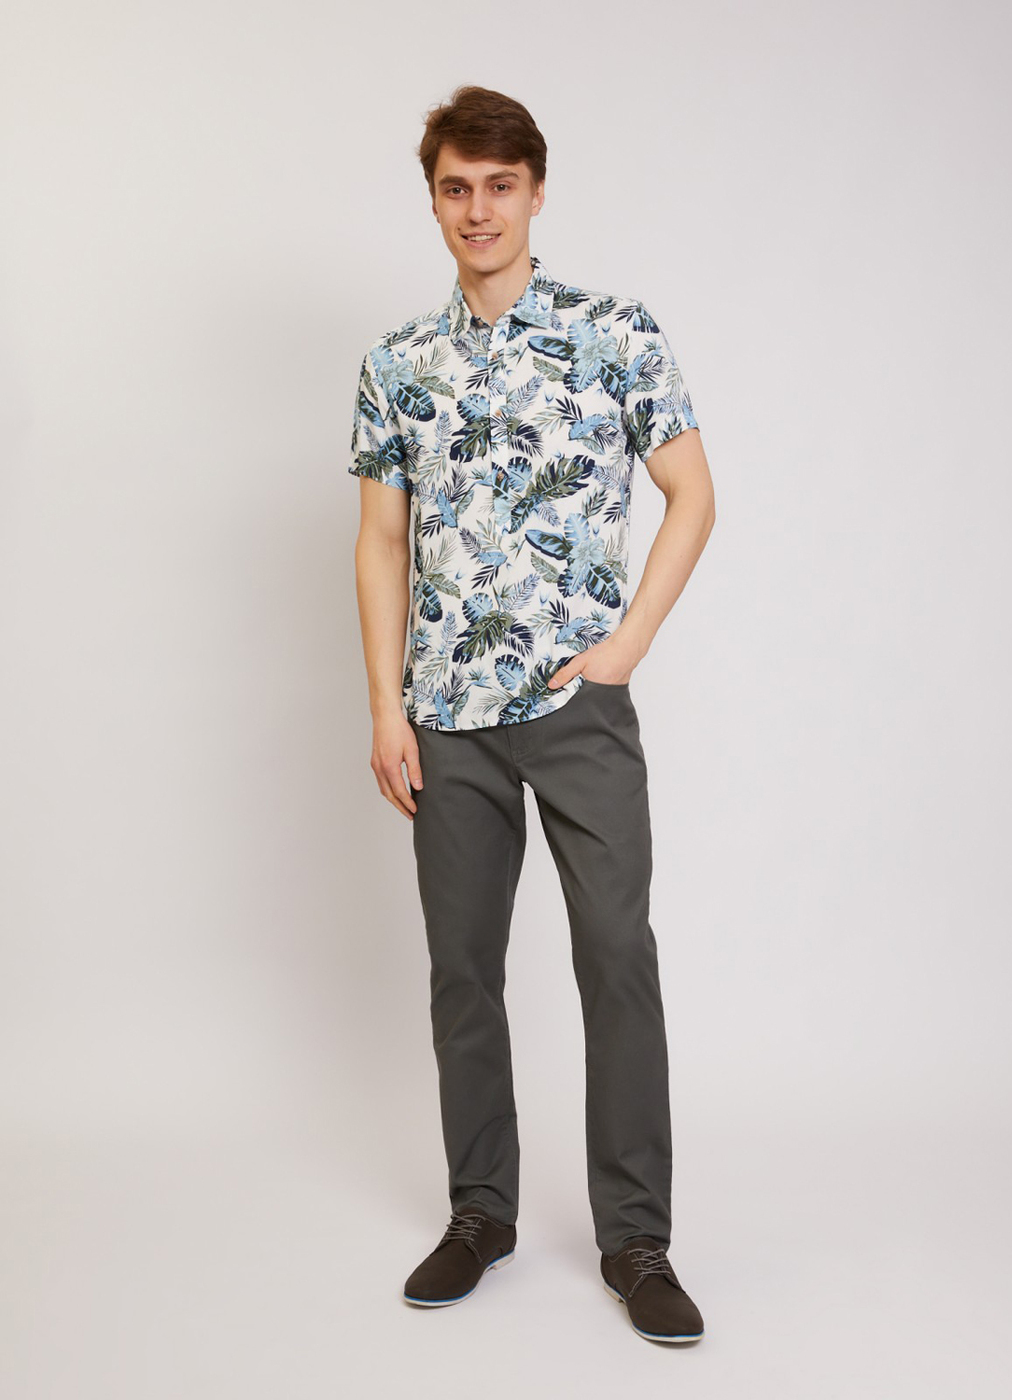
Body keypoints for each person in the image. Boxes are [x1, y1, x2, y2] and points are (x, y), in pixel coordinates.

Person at [348, 84, 715, 1345]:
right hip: (443, 713)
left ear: (536, 192)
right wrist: (386, 708)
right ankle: (480, 1211)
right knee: (463, 968)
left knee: (616, 954)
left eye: (499, 185)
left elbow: (692, 492)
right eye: (456, 187)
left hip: (575, 706)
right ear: (434, 199)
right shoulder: (398, 363)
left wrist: (625, 647)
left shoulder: (614, 333)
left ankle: (637, 1239)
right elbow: (379, 538)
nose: (478, 209)